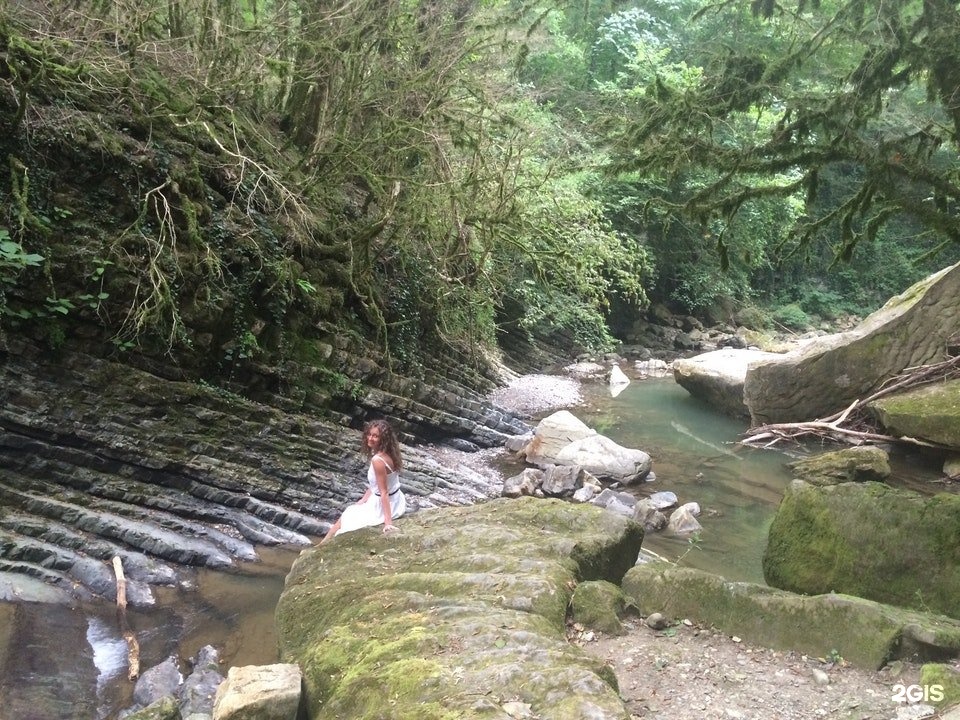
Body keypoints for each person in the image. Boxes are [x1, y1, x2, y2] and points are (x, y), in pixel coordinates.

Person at [319, 419, 406, 543]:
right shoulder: (389, 453)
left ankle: (322, 545)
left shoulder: (378, 460)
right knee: (351, 510)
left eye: (375, 436)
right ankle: (322, 544)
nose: (370, 438)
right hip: (397, 499)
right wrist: (363, 500)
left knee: (348, 516)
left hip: (385, 505)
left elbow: (384, 492)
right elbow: (375, 484)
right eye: (369, 434)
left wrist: (388, 523)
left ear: (383, 439)